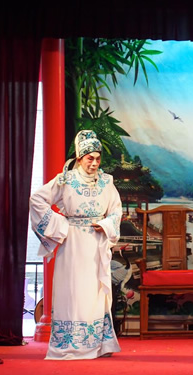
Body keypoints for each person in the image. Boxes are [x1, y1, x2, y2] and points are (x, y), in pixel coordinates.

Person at [29, 130, 122, 360]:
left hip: (96, 244)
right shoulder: (65, 180)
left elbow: (116, 210)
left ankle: (98, 344)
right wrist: (61, 226)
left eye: (98, 158)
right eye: (90, 158)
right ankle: (70, 343)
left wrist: (106, 224)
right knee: (72, 292)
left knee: (95, 293)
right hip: (72, 245)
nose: (94, 163)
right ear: (79, 158)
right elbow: (37, 200)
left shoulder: (107, 181)